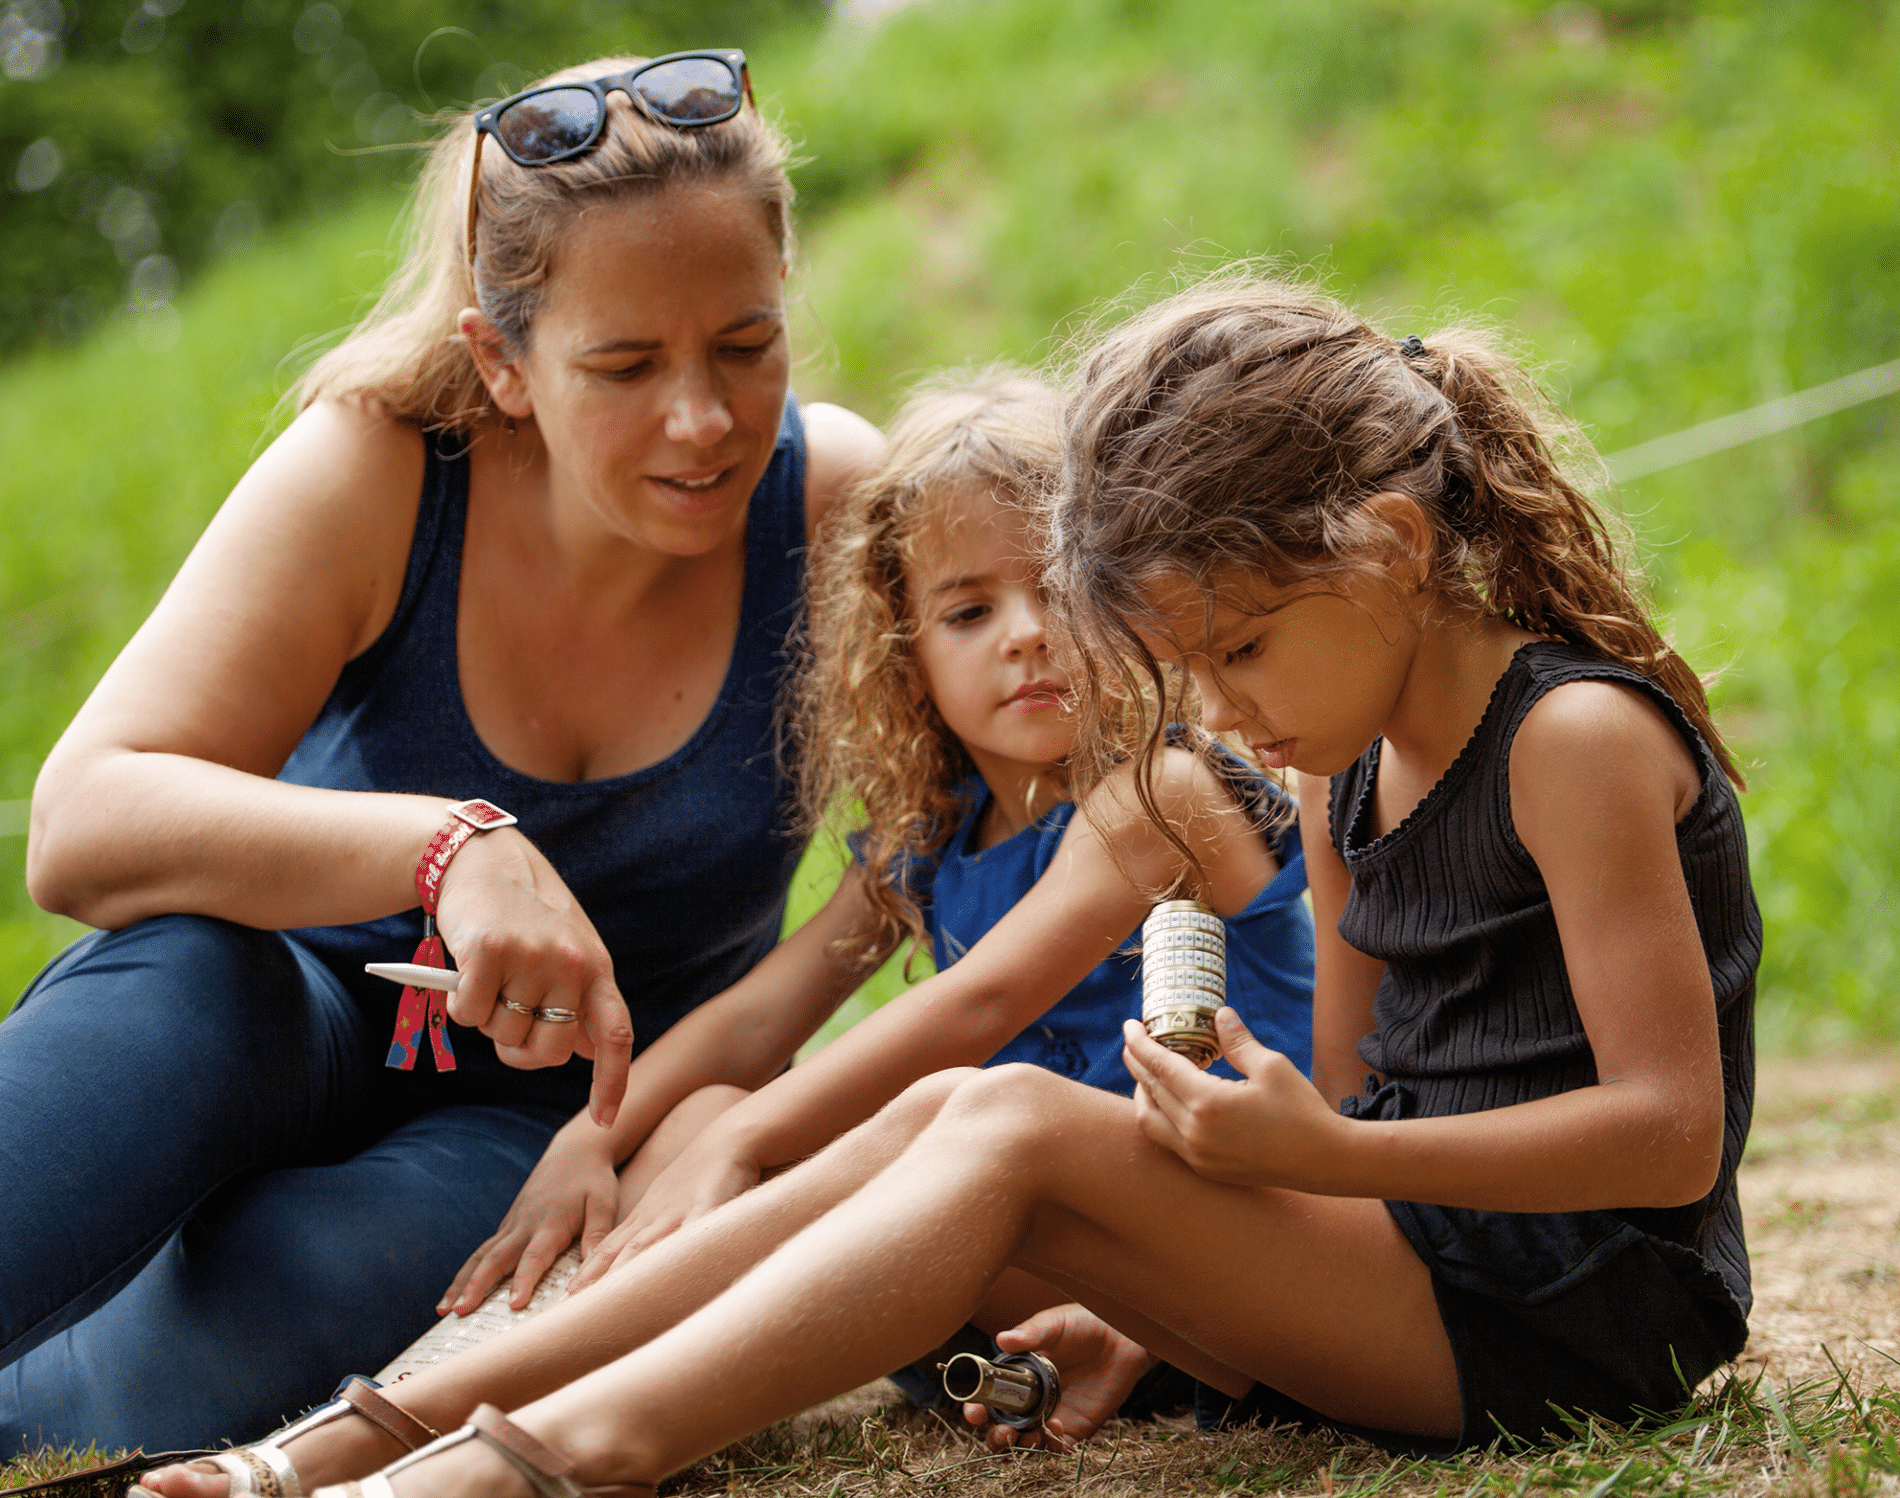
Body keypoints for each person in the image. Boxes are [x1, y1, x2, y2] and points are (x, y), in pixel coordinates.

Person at [137, 271, 1759, 1498]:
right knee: (950, 1114)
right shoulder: (1342, 765)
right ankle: (373, 1427)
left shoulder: (1575, 740)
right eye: (1189, 667)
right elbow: (1347, 1116)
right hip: (1422, 1267)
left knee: (1001, 1110)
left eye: (1243, 648)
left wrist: (1314, 1155)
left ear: (1395, 542)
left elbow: (1671, 1130)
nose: (1227, 710)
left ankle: (539, 1454)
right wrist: (1175, 1292)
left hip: (1586, 1307)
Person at [133, 367, 1315, 1498]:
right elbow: (762, 1011)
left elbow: (974, 1006)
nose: (1025, 634)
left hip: (1180, 1226)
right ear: (906, 658)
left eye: (1058, 590)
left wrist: (751, 1140)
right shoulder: (937, 831)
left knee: (760, 1133)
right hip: (1010, 1224)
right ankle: (552, 1391)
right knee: (700, 1112)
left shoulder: (1163, 795)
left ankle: (457, 1418)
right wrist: (596, 1135)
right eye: (968, 609)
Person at [0, 49, 885, 1452]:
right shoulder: (382, 468)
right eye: (625, 364)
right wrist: (451, 843)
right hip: (278, 997)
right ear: (502, 362)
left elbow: (1015, 820)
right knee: (163, 1016)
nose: (703, 419)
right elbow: (81, 819)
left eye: (746, 342)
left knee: (319, 1291)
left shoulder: (836, 509)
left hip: (550, 1131)